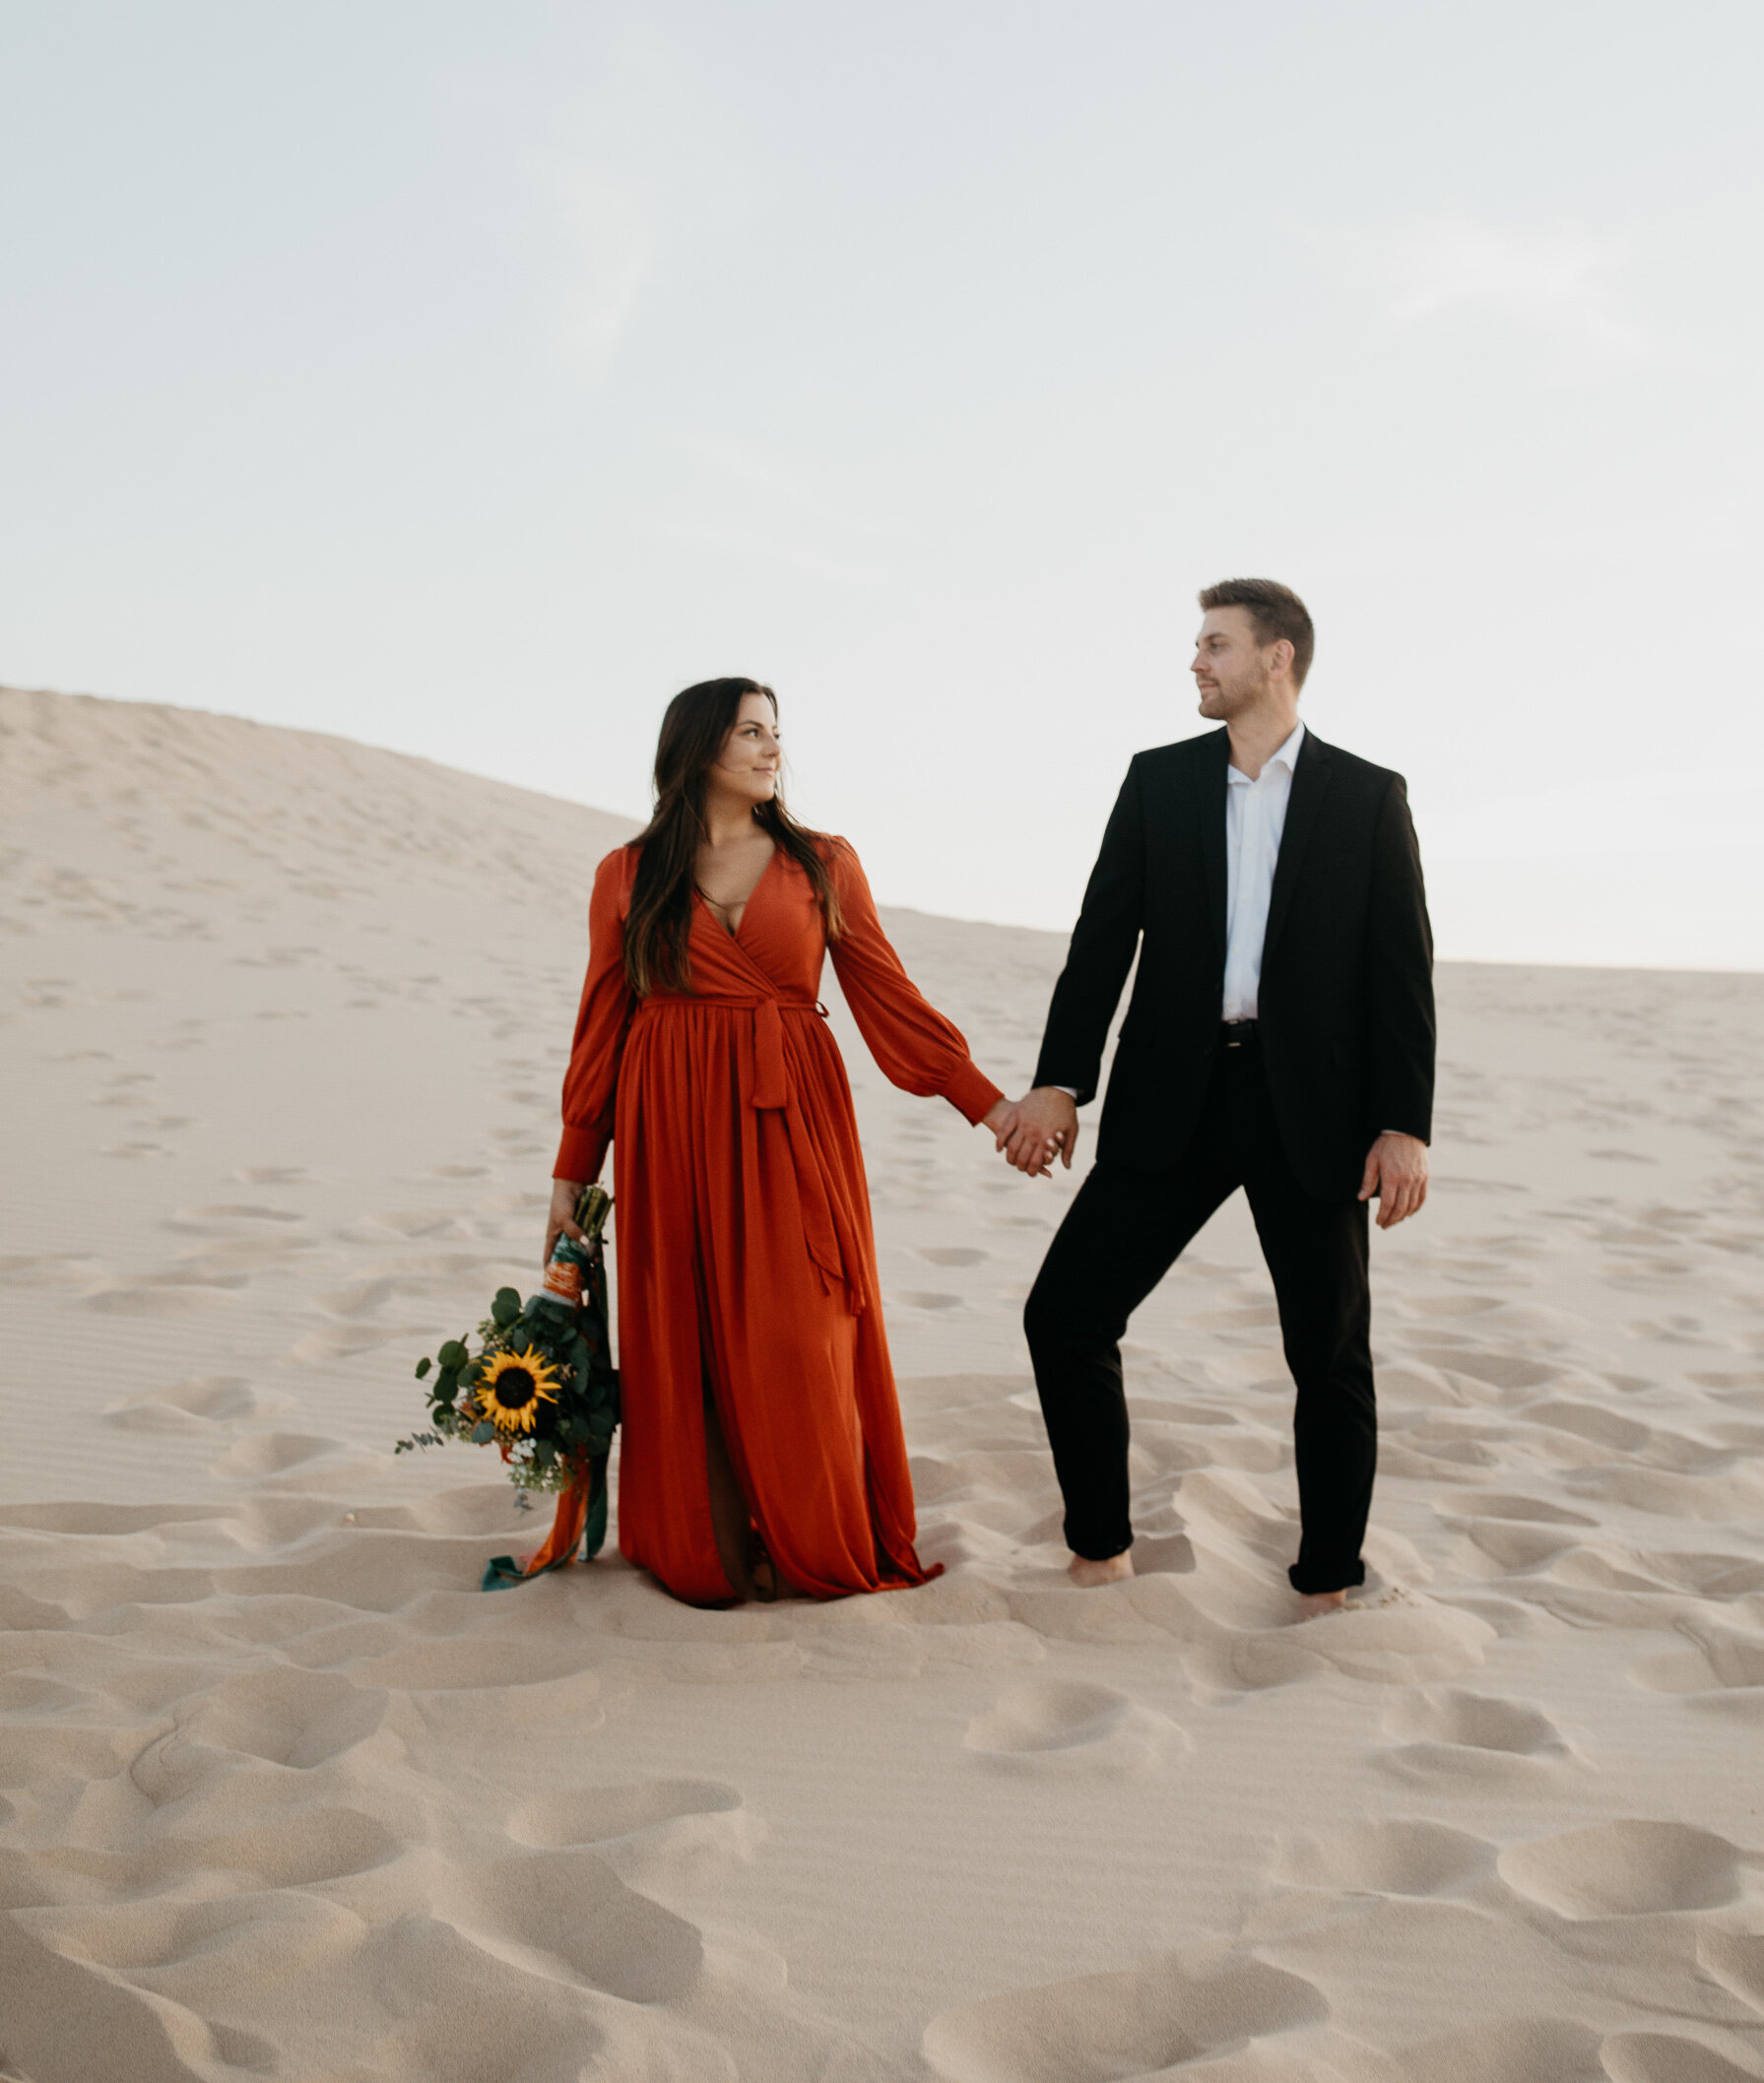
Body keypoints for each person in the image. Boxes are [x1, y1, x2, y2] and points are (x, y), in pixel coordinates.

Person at [995, 579, 1434, 1616]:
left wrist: (1404, 1122)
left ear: (1275, 657)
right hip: (1170, 1099)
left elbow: (1399, 975)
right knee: (1064, 1315)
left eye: (1214, 644)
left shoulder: (1368, 797)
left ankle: (1328, 1579)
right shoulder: (1158, 783)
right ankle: (1098, 1550)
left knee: (1326, 1355)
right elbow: (1100, 943)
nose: (1196, 663)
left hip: (1312, 1113)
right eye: (1197, 645)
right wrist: (1062, 1082)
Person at [547, 677, 1020, 1606]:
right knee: (686, 1339)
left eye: (775, 732)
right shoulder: (626, 872)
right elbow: (602, 1023)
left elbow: (890, 998)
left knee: (803, 1334)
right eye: (751, 732)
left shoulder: (823, 862)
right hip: (667, 1121)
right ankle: (712, 1547)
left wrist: (991, 1105)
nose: (773, 750)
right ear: (697, 750)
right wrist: (573, 1171)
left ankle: (815, 1533)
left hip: (790, 1119)